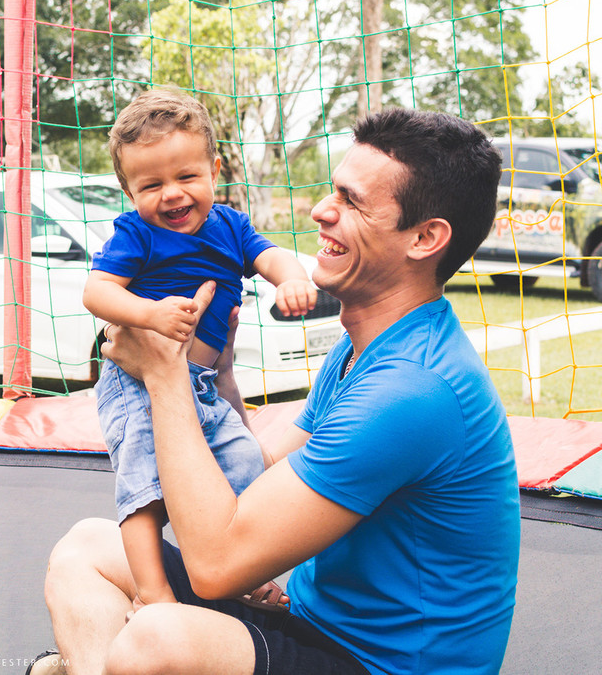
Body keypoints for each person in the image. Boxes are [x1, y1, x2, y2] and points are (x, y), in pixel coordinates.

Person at [35, 107, 519, 675]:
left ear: (425, 238)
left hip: (383, 667)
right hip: (314, 628)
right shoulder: (364, 348)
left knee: (158, 638)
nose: (321, 211)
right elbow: (261, 474)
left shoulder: (412, 389)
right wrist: (218, 378)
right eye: (331, 191)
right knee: (86, 549)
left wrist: (164, 373)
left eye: (351, 201)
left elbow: (216, 566)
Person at [81, 89, 316, 612]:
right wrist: (151, 314)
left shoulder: (231, 226)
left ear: (213, 170)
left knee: (244, 464)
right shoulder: (135, 234)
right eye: (151, 184)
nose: (171, 194)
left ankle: (242, 574)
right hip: (138, 382)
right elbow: (97, 293)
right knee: (144, 483)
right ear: (129, 190)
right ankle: (153, 592)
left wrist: (292, 279)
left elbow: (272, 255)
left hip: (204, 389)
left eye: (186, 177)